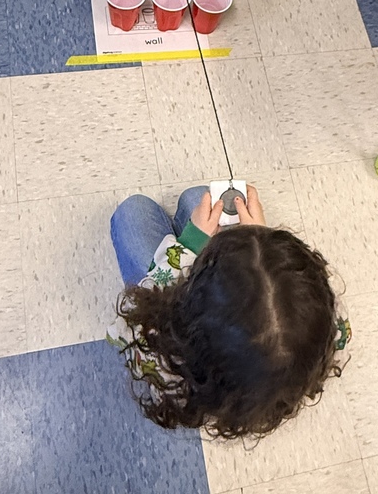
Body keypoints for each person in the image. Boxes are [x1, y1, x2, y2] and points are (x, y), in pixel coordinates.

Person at [107, 184, 350, 439]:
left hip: (164, 281)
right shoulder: (325, 332)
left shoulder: (164, 363)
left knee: (133, 212)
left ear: (192, 307)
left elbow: (126, 324)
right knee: (200, 198)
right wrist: (259, 243)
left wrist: (190, 244)